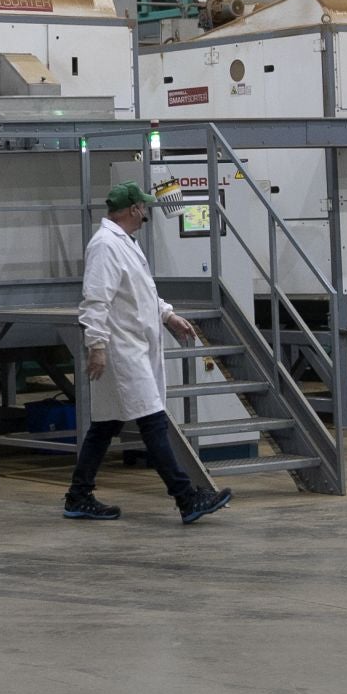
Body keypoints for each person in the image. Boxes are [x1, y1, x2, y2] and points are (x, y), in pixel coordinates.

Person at [62, 181, 232, 525]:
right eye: (143, 207)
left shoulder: (125, 243)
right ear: (133, 209)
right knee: (153, 421)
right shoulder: (106, 246)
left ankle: (78, 496)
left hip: (130, 347)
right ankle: (186, 498)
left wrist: (168, 315)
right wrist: (97, 346)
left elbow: (139, 293)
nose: (146, 212)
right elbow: (95, 299)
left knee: (105, 425)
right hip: (121, 350)